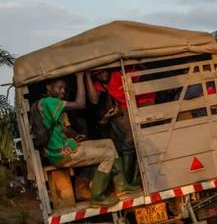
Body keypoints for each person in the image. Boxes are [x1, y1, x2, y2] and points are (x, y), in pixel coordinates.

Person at [40, 74, 138, 207]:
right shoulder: (49, 102)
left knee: (108, 142)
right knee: (107, 155)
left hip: (67, 146)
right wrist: (80, 76)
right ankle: (97, 197)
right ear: (48, 87)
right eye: (59, 87)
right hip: (62, 154)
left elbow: (62, 128)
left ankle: (121, 185)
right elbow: (80, 104)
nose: (63, 91)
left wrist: (75, 136)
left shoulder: (52, 105)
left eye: (64, 88)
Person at [85, 68, 148, 189]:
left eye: (102, 71)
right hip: (122, 112)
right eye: (96, 74)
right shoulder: (101, 83)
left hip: (140, 105)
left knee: (134, 143)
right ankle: (127, 181)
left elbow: (141, 76)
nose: (101, 75)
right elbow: (94, 99)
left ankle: (132, 180)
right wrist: (87, 75)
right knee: (128, 144)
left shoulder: (118, 74)